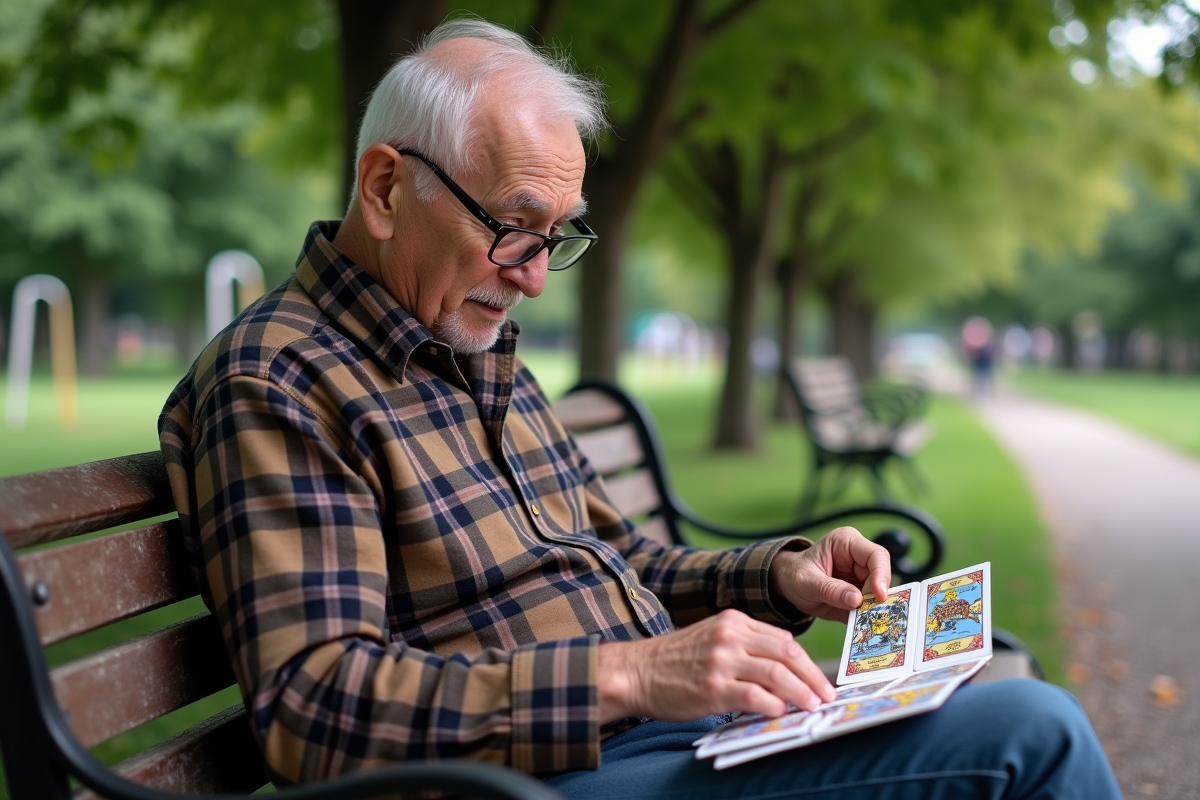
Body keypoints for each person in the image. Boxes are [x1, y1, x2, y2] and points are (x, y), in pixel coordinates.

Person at [159, 19, 1122, 800]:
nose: (535, 279)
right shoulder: (278, 383)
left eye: (555, 238)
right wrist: (633, 675)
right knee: (1030, 733)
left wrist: (781, 578)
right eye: (512, 229)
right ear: (384, 187)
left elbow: (624, 564)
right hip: (545, 780)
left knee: (995, 691)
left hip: (666, 742)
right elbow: (313, 708)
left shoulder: (472, 351)